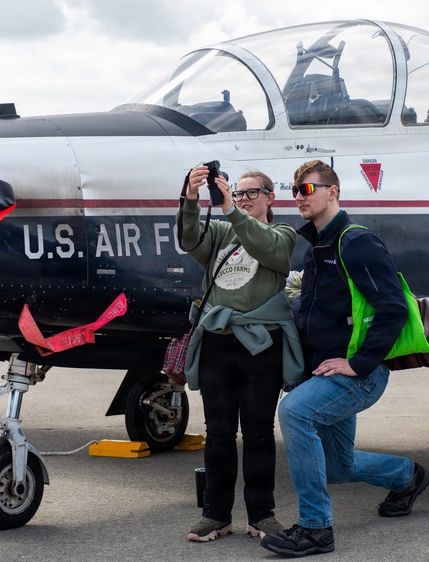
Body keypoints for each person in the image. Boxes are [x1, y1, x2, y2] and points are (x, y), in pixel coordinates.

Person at [261, 160, 429, 557]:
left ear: (332, 191)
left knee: (295, 413)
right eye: (294, 190)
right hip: (327, 371)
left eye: (306, 189)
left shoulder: (356, 243)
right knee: (338, 466)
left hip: (358, 372)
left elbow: (393, 309)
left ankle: (316, 529)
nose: (298, 197)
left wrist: (358, 363)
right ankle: (408, 477)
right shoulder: (317, 248)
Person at [177, 164, 303, 543]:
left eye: (251, 193)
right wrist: (190, 197)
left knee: (260, 434)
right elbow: (188, 239)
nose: (243, 198)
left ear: (270, 198)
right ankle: (215, 514)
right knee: (217, 433)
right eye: (238, 192)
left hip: (260, 345)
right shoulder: (219, 233)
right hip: (217, 341)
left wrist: (232, 208)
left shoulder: (284, 235)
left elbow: (266, 247)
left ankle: (262, 515)